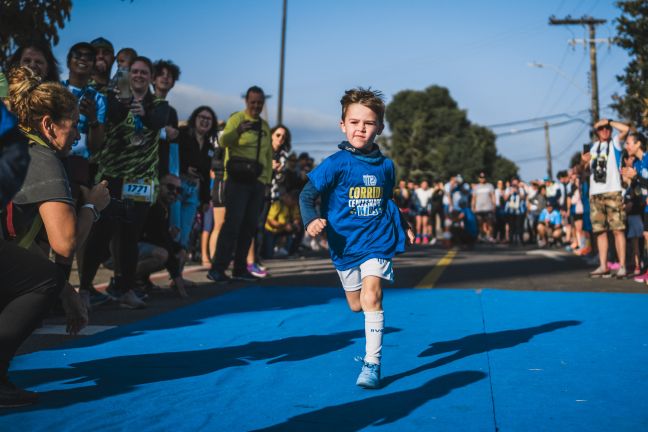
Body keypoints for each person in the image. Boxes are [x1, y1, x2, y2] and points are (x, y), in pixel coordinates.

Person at [299, 88, 414, 389]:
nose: (361, 128)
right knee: (356, 304)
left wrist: (404, 223)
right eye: (354, 122)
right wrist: (311, 220)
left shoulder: (386, 166)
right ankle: (368, 319)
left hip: (377, 240)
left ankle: (372, 363)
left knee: (372, 295)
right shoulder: (336, 163)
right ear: (342, 125)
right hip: (344, 245)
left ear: (379, 128)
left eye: (368, 123)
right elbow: (307, 194)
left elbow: (387, 199)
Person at [80, 56, 170, 309]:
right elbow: (112, 116)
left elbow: (158, 121)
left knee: (130, 237)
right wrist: (123, 100)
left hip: (141, 180)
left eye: (144, 72)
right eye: (135, 72)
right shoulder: (115, 99)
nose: (139, 76)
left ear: (151, 78)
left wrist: (146, 113)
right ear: (129, 76)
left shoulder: (159, 104)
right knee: (101, 234)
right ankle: (85, 289)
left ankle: (125, 288)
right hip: (113, 177)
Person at [207, 86, 273, 283]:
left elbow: (268, 156)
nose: (256, 106)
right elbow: (224, 141)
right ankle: (217, 268)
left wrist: (267, 182)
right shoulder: (237, 118)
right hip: (236, 179)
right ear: (246, 101)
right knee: (232, 224)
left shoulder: (264, 126)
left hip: (257, 181)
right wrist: (238, 130)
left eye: (259, 103)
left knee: (249, 226)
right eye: (253, 102)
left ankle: (240, 268)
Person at [583, 118, 630, 278]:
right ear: (596, 132)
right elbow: (580, 172)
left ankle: (622, 266)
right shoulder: (591, 147)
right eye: (601, 129)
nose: (605, 131)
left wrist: (609, 121)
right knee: (599, 231)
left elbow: (625, 129)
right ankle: (603, 266)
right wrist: (582, 163)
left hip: (613, 191)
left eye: (607, 128)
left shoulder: (615, 143)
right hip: (595, 193)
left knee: (618, 229)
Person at [174, 106, 218, 258]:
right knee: (174, 228)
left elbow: (206, 173)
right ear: (195, 118)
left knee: (186, 231)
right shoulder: (183, 134)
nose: (205, 121)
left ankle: (177, 275)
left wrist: (205, 199)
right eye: (202, 117)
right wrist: (185, 168)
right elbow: (172, 156)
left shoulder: (209, 146)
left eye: (209, 119)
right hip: (177, 185)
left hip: (194, 190)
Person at [137, 173, 188, 297]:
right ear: (159, 187)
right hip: (123, 251)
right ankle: (125, 280)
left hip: (143, 245)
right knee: (162, 254)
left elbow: (162, 238)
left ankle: (143, 280)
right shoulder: (154, 207)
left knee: (181, 252)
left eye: (178, 190)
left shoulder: (165, 207)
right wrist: (177, 278)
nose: (174, 192)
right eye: (170, 187)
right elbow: (162, 241)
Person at [471, 172, 496, 242]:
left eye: (484, 177)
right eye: (481, 178)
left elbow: (493, 196)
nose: (482, 179)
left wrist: (494, 205)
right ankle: (481, 236)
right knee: (480, 223)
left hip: (488, 208)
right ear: (479, 179)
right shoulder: (476, 187)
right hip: (479, 208)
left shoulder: (490, 186)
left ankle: (489, 236)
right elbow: (474, 198)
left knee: (489, 223)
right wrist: (473, 206)